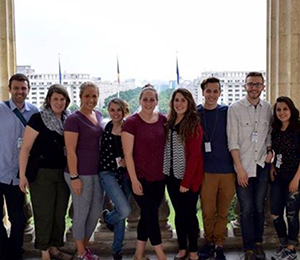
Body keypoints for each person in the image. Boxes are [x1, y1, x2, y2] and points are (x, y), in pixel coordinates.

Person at [18, 84, 72, 260]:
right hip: (41, 174)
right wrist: (23, 175)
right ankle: (44, 251)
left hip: (63, 173)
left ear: (67, 101)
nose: (59, 102)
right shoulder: (37, 119)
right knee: (44, 213)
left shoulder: (68, 120)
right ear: (48, 100)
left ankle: (55, 247)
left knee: (59, 213)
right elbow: (25, 148)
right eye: (55, 98)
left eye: (62, 99)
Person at [227, 72, 273, 260]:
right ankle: (248, 248)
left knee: (259, 208)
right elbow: (233, 142)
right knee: (245, 209)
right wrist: (239, 169)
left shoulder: (268, 108)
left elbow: (269, 134)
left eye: (258, 84)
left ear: (263, 87)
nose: (254, 88)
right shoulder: (235, 109)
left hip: (262, 164)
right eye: (251, 84)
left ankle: (258, 243)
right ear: (245, 86)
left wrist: (270, 151)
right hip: (243, 165)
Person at [122, 84, 167, 260]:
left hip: (159, 177)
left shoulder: (163, 120)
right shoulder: (132, 122)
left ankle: (139, 254)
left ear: (157, 101)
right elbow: (128, 154)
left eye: (152, 99)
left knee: (147, 216)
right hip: (139, 177)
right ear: (140, 100)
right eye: (145, 99)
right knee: (151, 216)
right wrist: (133, 180)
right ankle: (161, 255)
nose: (148, 102)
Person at [0, 73, 39, 260]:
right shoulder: (0, 109)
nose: (19, 92)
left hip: (18, 175)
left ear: (28, 90)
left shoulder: (34, 112)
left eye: (23, 88)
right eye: (16, 88)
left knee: (19, 218)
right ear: (10, 89)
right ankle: (3, 250)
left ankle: (15, 253)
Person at [64, 82, 104, 260]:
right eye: (87, 96)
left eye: (94, 95)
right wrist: (74, 177)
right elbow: (70, 150)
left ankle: (84, 248)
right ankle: (81, 253)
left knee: (95, 213)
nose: (91, 99)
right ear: (80, 97)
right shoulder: (74, 119)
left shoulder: (98, 114)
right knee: (81, 213)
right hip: (78, 172)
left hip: (96, 172)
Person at [197, 77, 235, 260]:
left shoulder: (228, 111)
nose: (212, 94)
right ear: (203, 92)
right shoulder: (195, 113)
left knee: (223, 211)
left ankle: (219, 244)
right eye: (208, 91)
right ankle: (209, 242)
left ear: (220, 92)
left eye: (215, 91)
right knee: (207, 211)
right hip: (206, 171)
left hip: (228, 170)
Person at [163, 88, 203, 260]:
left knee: (190, 214)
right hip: (170, 175)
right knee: (178, 213)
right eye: (176, 100)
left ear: (189, 103)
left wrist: (186, 182)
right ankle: (181, 248)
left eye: (183, 100)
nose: (179, 104)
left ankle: (193, 250)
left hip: (188, 178)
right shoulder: (168, 122)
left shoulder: (193, 124)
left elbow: (194, 157)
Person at [99, 98, 131, 260]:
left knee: (121, 214)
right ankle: (107, 217)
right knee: (124, 210)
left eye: (118, 110)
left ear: (124, 110)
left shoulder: (129, 127)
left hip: (125, 175)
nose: (115, 113)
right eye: (112, 110)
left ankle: (116, 250)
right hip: (107, 173)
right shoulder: (107, 126)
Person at [269, 96, 300, 260]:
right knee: (275, 213)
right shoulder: (275, 130)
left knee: (292, 214)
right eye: (278, 110)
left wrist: (296, 180)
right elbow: (275, 152)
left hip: (295, 177)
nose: (282, 112)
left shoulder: (298, 129)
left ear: (291, 110)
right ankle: (283, 243)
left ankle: (291, 248)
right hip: (278, 177)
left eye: (285, 109)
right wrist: (272, 166)